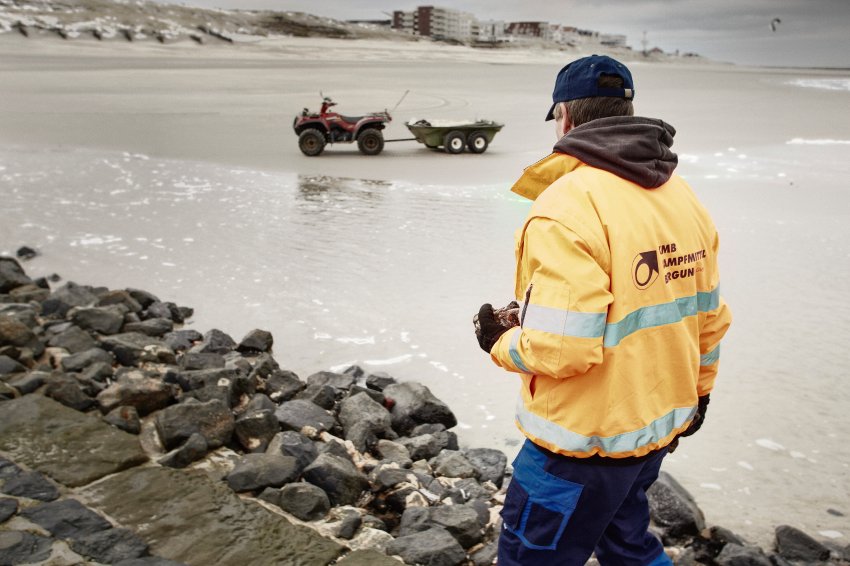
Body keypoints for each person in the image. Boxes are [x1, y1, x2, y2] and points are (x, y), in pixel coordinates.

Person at [474, 55, 732, 566]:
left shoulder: (566, 205)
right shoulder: (681, 195)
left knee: (531, 557)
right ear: (626, 109)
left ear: (564, 117)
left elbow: (564, 348)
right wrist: (699, 395)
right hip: (655, 428)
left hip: (578, 444)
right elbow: (708, 316)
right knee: (628, 545)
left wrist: (498, 342)